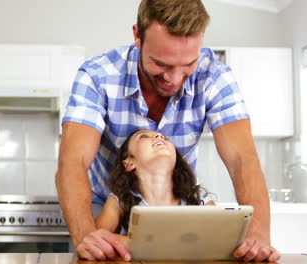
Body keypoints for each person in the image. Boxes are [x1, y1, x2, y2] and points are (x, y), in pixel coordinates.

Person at [56, 0, 280, 262]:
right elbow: (72, 161)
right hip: (102, 204)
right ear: (138, 37)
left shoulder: (216, 78)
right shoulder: (97, 76)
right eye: (161, 63)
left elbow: (243, 160)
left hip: (182, 218)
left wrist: (257, 238)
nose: (174, 78)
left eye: (188, 64)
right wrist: (87, 235)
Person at [95, 130, 215, 241]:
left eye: (165, 138)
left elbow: (217, 237)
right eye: (143, 137)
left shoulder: (198, 197)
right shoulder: (119, 201)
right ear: (129, 163)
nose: (159, 136)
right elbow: (98, 237)